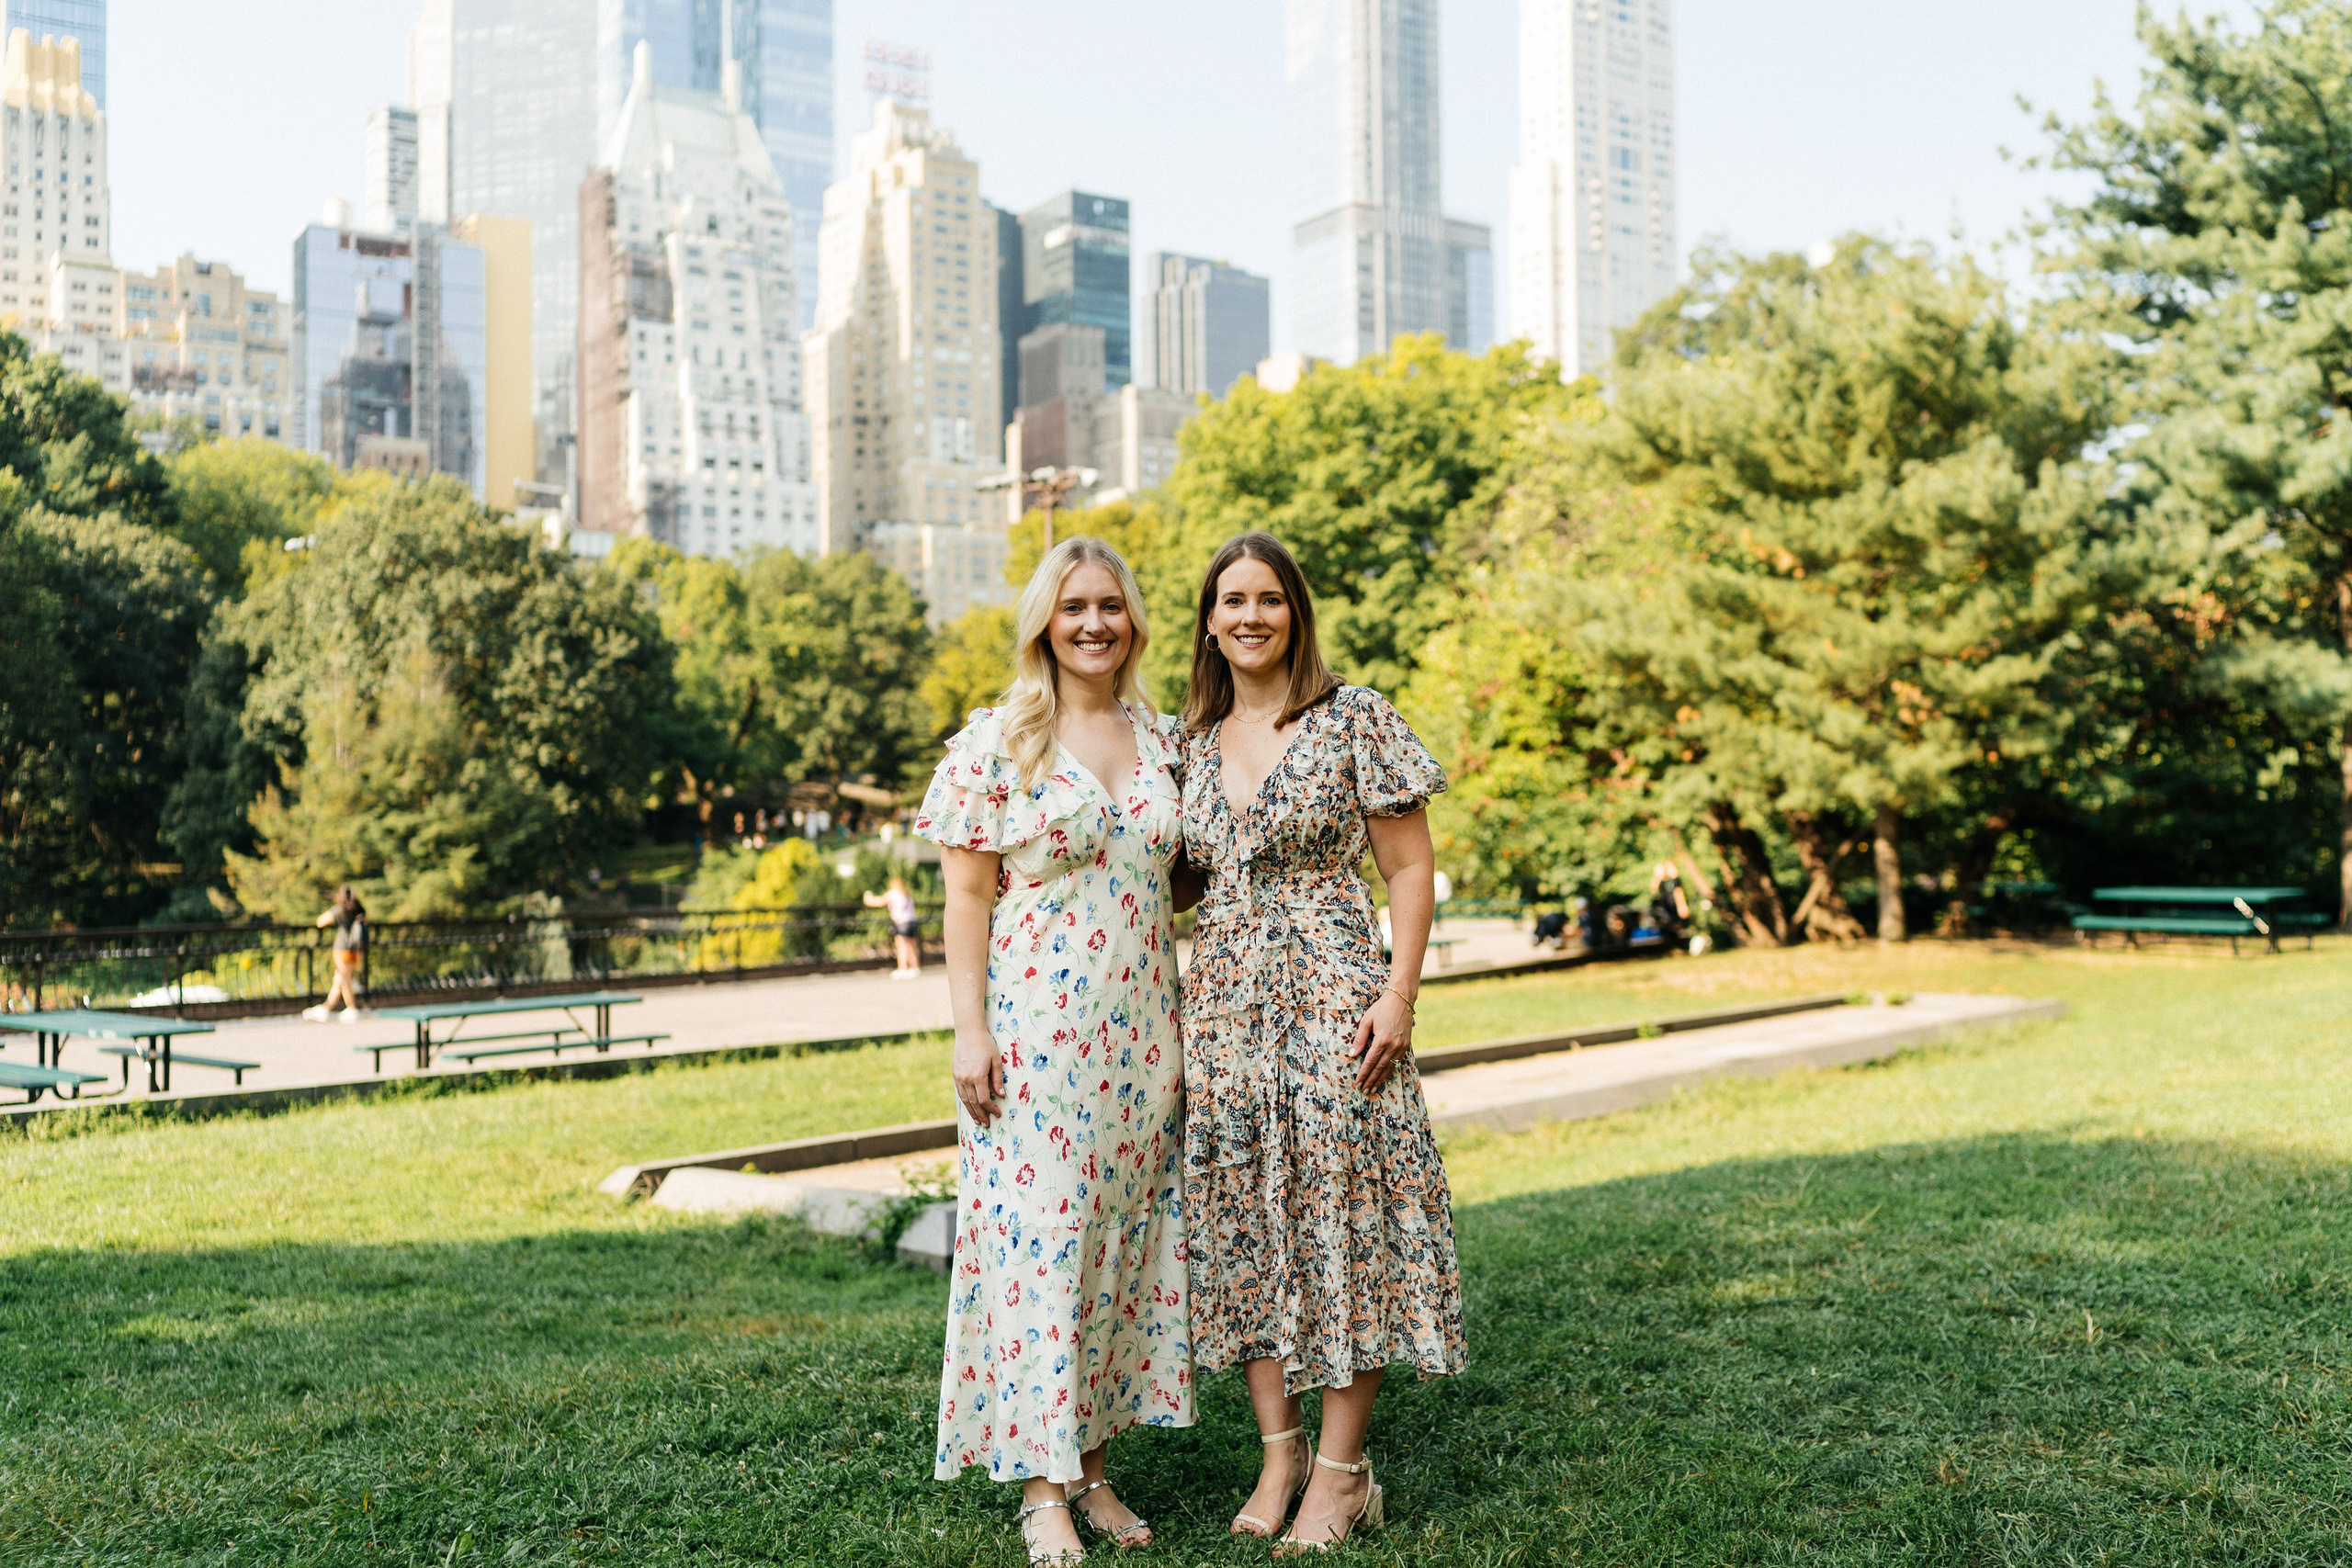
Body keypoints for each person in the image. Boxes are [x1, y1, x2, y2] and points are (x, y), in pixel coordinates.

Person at [1177, 531, 1466, 1551]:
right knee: (1249, 1221)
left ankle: (1344, 1475)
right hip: (1219, 1007)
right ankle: (1279, 1452)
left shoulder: (1354, 717)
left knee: (1345, 1216)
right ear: (1208, 622)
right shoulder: (1188, 737)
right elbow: (1170, 875)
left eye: (1268, 598)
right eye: (1231, 600)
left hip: (1336, 990)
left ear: (1293, 612)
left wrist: (1399, 995)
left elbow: (1407, 869)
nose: (1249, 615)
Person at [911, 536, 1192, 1566]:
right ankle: (1041, 1488)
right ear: (1044, 621)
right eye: (1072, 606)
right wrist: (969, 1029)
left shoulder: (1160, 736)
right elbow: (964, 897)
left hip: (1143, 1036)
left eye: (1109, 606)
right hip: (1035, 1040)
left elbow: (1179, 875)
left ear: (1132, 620)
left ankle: (1096, 1466)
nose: (1092, 624)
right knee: (1042, 1245)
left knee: (1119, 1249)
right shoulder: (999, 742)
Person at [304, 886, 367, 1022]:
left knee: (344, 979)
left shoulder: (340, 910)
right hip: (355, 949)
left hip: (342, 948)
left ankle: (351, 1008)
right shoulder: (359, 910)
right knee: (339, 979)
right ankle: (326, 1008)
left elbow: (320, 922)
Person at [863, 875, 923, 977]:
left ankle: (902, 968)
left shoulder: (894, 893)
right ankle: (915, 967)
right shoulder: (906, 894)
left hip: (901, 922)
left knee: (901, 945)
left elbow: (880, 901)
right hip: (912, 921)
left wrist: (868, 898)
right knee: (912, 945)